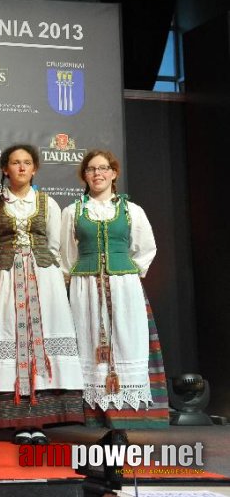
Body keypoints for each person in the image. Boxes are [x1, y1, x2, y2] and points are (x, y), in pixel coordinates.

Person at [0, 144, 84, 445]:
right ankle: (18, 422)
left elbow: (54, 246)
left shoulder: (48, 203)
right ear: (5, 169)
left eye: (27, 163)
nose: (22, 168)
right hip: (8, 277)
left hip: (44, 278)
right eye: (15, 162)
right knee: (13, 340)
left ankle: (39, 422)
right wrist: (7, 270)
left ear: (35, 168)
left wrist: (38, 267)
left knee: (43, 340)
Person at [61, 149, 168, 431]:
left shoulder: (132, 210)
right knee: (88, 341)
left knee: (126, 340)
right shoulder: (72, 211)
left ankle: (130, 415)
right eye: (92, 169)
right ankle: (93, 413)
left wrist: (126, 269)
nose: (98, 173)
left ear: (114, 173)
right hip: (85, 288)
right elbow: (65, 254)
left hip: (123, 286)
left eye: (104, 168)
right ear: (84, 175)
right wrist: (79, 274)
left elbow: (146, 248)